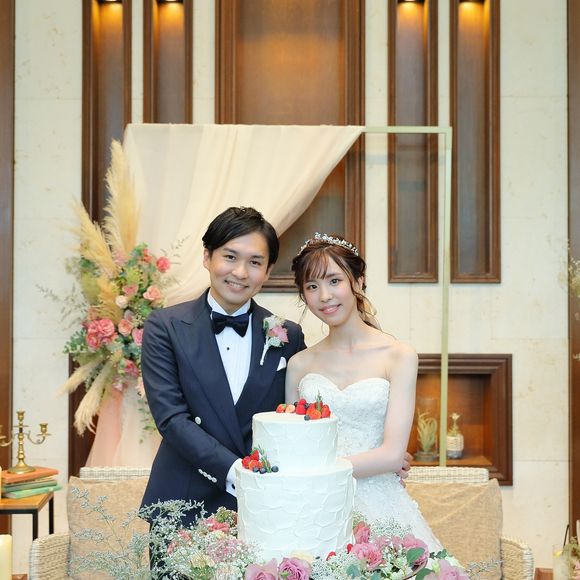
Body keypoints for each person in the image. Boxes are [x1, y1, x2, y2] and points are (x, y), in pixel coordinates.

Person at [140, 207, 306, 523]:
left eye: (255, 262)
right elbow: (172, 419)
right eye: (230, 257)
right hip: (183, 501)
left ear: (268, 271)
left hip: (264, 505)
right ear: (207, 256)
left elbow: (304, 414)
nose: (240, 272)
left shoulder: (288, 335)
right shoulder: (165, 327)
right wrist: (239, 473)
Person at [285, 232, 442, 553]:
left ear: (358, 281)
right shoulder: (299, 365)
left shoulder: (398, 355)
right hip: (315, 506)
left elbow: (392, 455)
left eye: (334, 281)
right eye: (312, 287)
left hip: (380, 502)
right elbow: (293, 446)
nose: (324, 296)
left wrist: (315, 470)